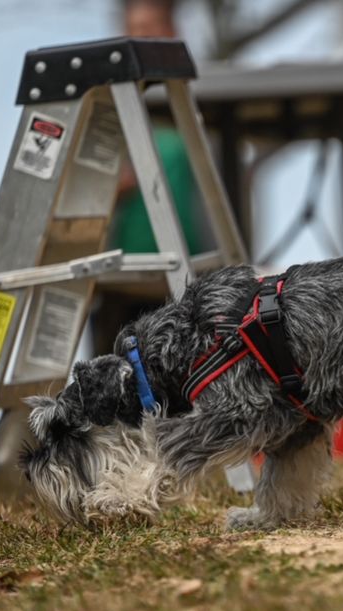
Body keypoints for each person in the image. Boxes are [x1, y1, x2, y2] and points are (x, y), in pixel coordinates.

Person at [92, 0, 203, 355]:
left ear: (172, 32)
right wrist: (110, 188)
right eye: (135, 33)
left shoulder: (196, 104)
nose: (142, 40)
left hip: (191, 281)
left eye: (151, 30)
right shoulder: (107, 110)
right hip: (122, 283)